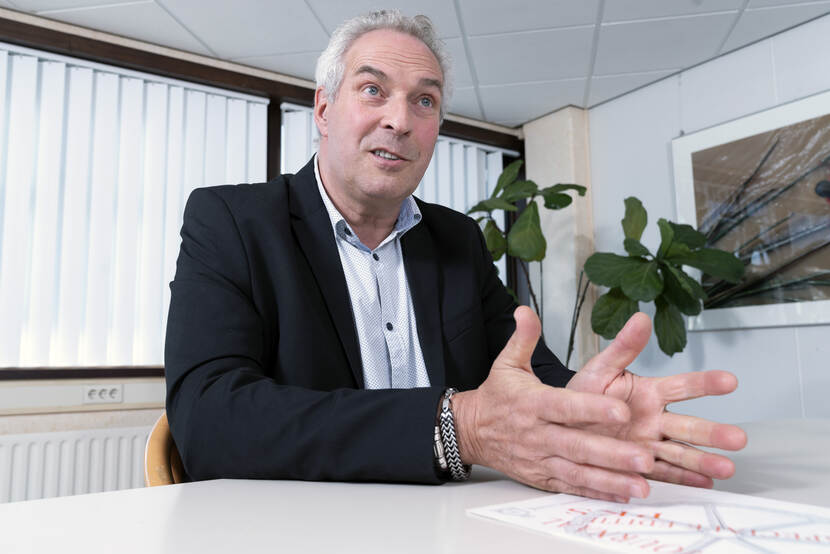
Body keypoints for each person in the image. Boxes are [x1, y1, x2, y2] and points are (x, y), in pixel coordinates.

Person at [164, 10, 746, 502]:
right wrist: (456, 428)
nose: (399, 120)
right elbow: (207, 420)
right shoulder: (231, 221)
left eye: (425, 101)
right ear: (323, 109)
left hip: (454, 521)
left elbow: (528, 372)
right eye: (373, 90)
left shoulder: (457, 239)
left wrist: (590, 406)